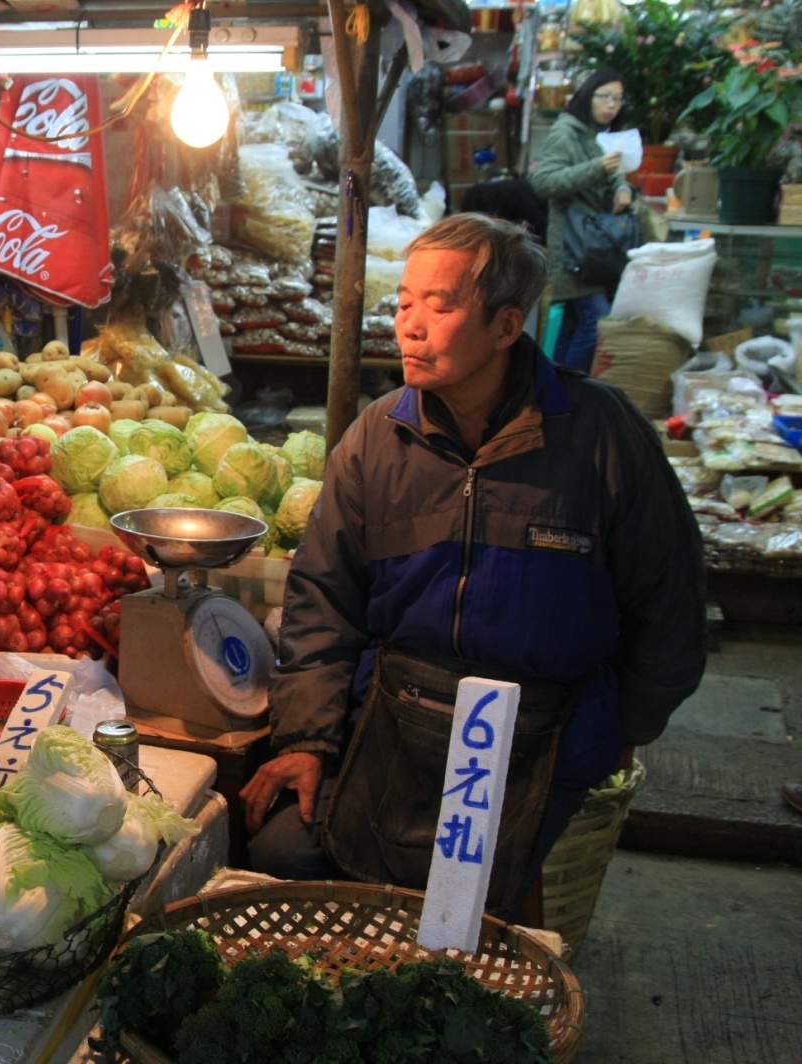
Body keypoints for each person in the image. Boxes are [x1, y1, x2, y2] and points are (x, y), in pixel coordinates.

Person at [243, 213, 705, 914]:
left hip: (543, 729)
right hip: (400, 711)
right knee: (284, 851)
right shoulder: (378, 437)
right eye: (403, 303)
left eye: (440, 304)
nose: (410, 325)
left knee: (473, 915)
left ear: (505, 326)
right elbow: (322, 600)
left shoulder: (601, 436)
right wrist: (308, 737)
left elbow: (669, 606)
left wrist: (623, 728)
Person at [530, 68, 634, 375]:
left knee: (574, 324)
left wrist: (623, 188)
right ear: (588, 96)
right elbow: (544, 182)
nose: (611, 105)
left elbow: (614, 176)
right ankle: (572, 394)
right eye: (604, 97)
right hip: (572, 247)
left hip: (594, 248)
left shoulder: (600, 136)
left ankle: (553, 395)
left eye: (617, 99)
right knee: (596, 322)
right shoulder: (566, 132)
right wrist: (596, 168)